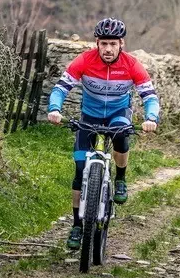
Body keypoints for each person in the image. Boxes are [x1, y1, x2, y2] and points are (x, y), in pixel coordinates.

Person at [46, 18, 161, 250]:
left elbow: (149, 96)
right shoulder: (84, 61)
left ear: (122, 44)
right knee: (79, 170)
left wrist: (151, 118)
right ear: (97, 43)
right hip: (90, 116)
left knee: (121, 133)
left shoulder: (132, 65)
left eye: (113, 44)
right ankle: (78, 225)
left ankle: (120, 178)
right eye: (104, 44)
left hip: (119, 113)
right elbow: (60, 88)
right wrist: (55, 109)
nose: (108, 49)